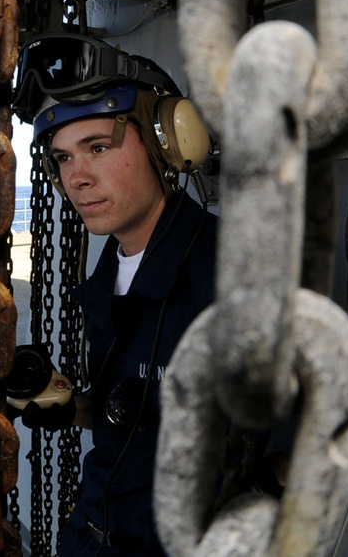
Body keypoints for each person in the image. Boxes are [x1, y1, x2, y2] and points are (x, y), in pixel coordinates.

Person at [12, 32, 217, 555]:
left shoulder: (233, 271)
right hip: (91, 533)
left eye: (98, 148)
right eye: (61, 159)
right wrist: (66, 404)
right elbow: (128, 412)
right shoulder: (110, 275)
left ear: (169, 142)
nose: (76, 178)